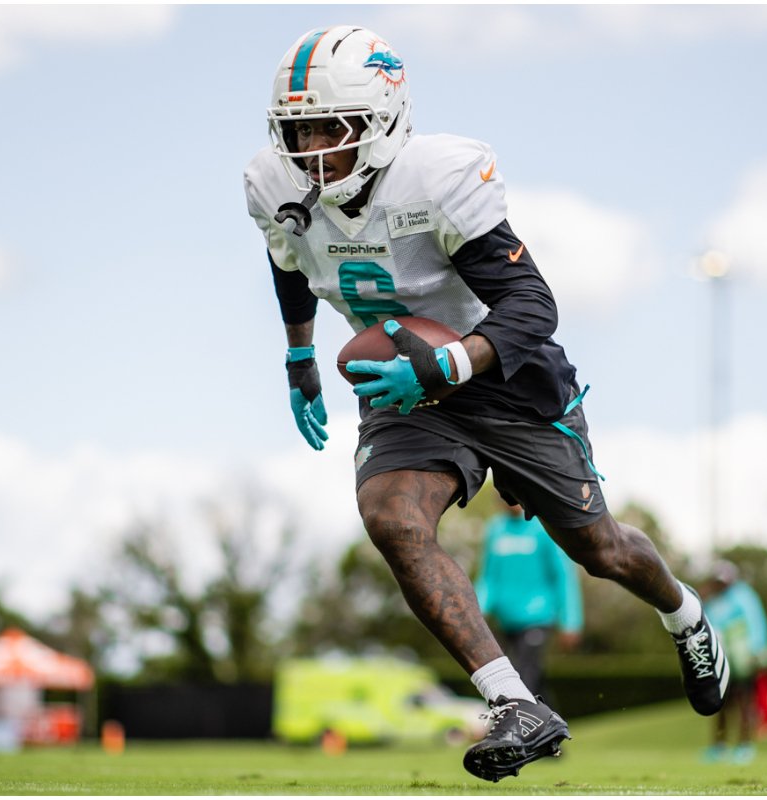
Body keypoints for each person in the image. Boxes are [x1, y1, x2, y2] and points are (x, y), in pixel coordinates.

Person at [244, 25, 729, 781]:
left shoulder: (433, 181)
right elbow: (288, 260)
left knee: (599, 549)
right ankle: (515, 702)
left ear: (379, 126)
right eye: (295, 131)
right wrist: (300, 354)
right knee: (391, 516)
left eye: (326, 130)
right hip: (404, 383)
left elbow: (534, 305)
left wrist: (450, 362)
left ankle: (685, 614)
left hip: (506, 379)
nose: (308, 152)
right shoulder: (276, 188)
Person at [474, 496, 583, 699]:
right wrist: (474, 613)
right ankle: (554, 726)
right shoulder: (495, 530)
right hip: (506, 621)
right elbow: (488, 578)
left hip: (537, 618)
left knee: (524, 677)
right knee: (533, 680)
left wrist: (571, 621)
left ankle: (519, 727)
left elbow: (563, 576)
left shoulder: (543, 528)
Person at [699, 560, 767, 764]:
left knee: (745, 702)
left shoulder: (744, 596)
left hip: (743, 660)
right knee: (720, 705)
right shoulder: (712, 599)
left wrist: (758, 651)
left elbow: (757, 624)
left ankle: (744, 747)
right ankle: (719, 747)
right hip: (722, 661)